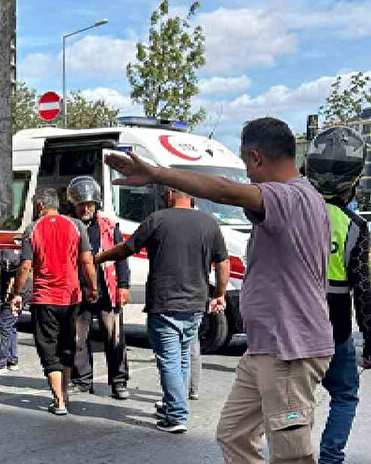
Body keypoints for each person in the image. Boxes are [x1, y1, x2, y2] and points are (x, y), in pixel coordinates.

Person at [106, 117, 333, 463]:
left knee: (292, 455)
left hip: (291, 349)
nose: (247, 173)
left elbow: (225, 190)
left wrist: (157, 173)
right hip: (266, 347)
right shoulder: (302, 199)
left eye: (246, 163)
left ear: (256, 157)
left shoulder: (288, 196)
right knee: (234, 435)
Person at [94, 186, 229, 433]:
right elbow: (223, 263)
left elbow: (126, 249)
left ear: (169, 193)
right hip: (196, 304)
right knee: (182, 356)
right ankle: (172, 403)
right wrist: (219, 294)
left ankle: (176, 415)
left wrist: (99, 258)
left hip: (164, 302)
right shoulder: (209, 223)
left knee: (169, 359)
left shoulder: (157, 220)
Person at [305, 127, 371, 464]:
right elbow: (364, 290)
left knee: (295, 397)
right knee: (345, 395)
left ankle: (292, 453)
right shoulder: (354, 226)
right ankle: (330, 457)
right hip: (333, 328)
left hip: (292, 324)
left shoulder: (293, 211)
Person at [9, 188, 98, 416]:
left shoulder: (33, 228)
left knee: (48, 348)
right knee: (66, 346)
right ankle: (64, 395)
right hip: (71, 297)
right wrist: (93, 288)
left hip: (45, 298)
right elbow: (87, 261)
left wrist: (17, 293)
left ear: (39, 206)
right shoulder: (76, 226)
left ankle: (58, 401)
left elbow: (26, 266)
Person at [65, 176, 132, 399]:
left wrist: (123, 285)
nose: (86, 208)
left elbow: (122, 257)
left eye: (90, 204)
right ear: (74, 204)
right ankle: (82, 380)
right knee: (77, 338)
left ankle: (119, 381)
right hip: (76, 292)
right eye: (82, 204)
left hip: (107, 291)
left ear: (96, 204)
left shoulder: (109, 226)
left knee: (114, 337)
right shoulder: (67, 226)